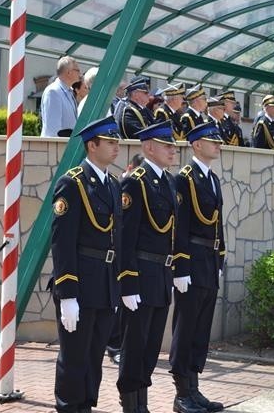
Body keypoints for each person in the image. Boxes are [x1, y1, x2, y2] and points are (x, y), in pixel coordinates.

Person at [49, 116, 123, 413]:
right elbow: (62, 241)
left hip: (104, 282)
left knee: (94, 354)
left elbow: (115, 240)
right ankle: (69, 407)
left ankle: (85, 406)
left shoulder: (113, 184)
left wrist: (117, 285)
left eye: (117, 140)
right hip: (80, 281)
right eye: (110, 141)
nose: (116, 146)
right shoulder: (73, 183)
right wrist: (67, 294)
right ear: (92, 145)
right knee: (75, 354)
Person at [116, 121, 178, 413]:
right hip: (140, 274)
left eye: (173, 145)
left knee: (152, 346)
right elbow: (125, 238)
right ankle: (130, 403)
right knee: (135, 344)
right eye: (166, 145)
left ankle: (142, 402)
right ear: (148, 147)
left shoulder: (169, 181)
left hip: (162, 276)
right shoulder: (135, 182)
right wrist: (127, 282)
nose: (172, 150)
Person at [170, 122, 226, 413]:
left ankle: (194, 388)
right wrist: (180, 266)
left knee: (201, 328)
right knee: (186, 325)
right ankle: (181, 394)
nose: (218, 145)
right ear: (195, 145)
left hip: (208, 259)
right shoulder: (184, 178)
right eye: (212, 141)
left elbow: (217, 223)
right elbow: (179, 226)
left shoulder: (213, 179)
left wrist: (220, 257)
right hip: (190, 258)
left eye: (218, 141)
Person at [41, 56, 81, 137]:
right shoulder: (53, 92)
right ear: (69, 72)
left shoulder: (68, 91)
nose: (80, 74)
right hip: (57, 147)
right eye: (77, 70)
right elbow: (52, 131)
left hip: (66, 145)